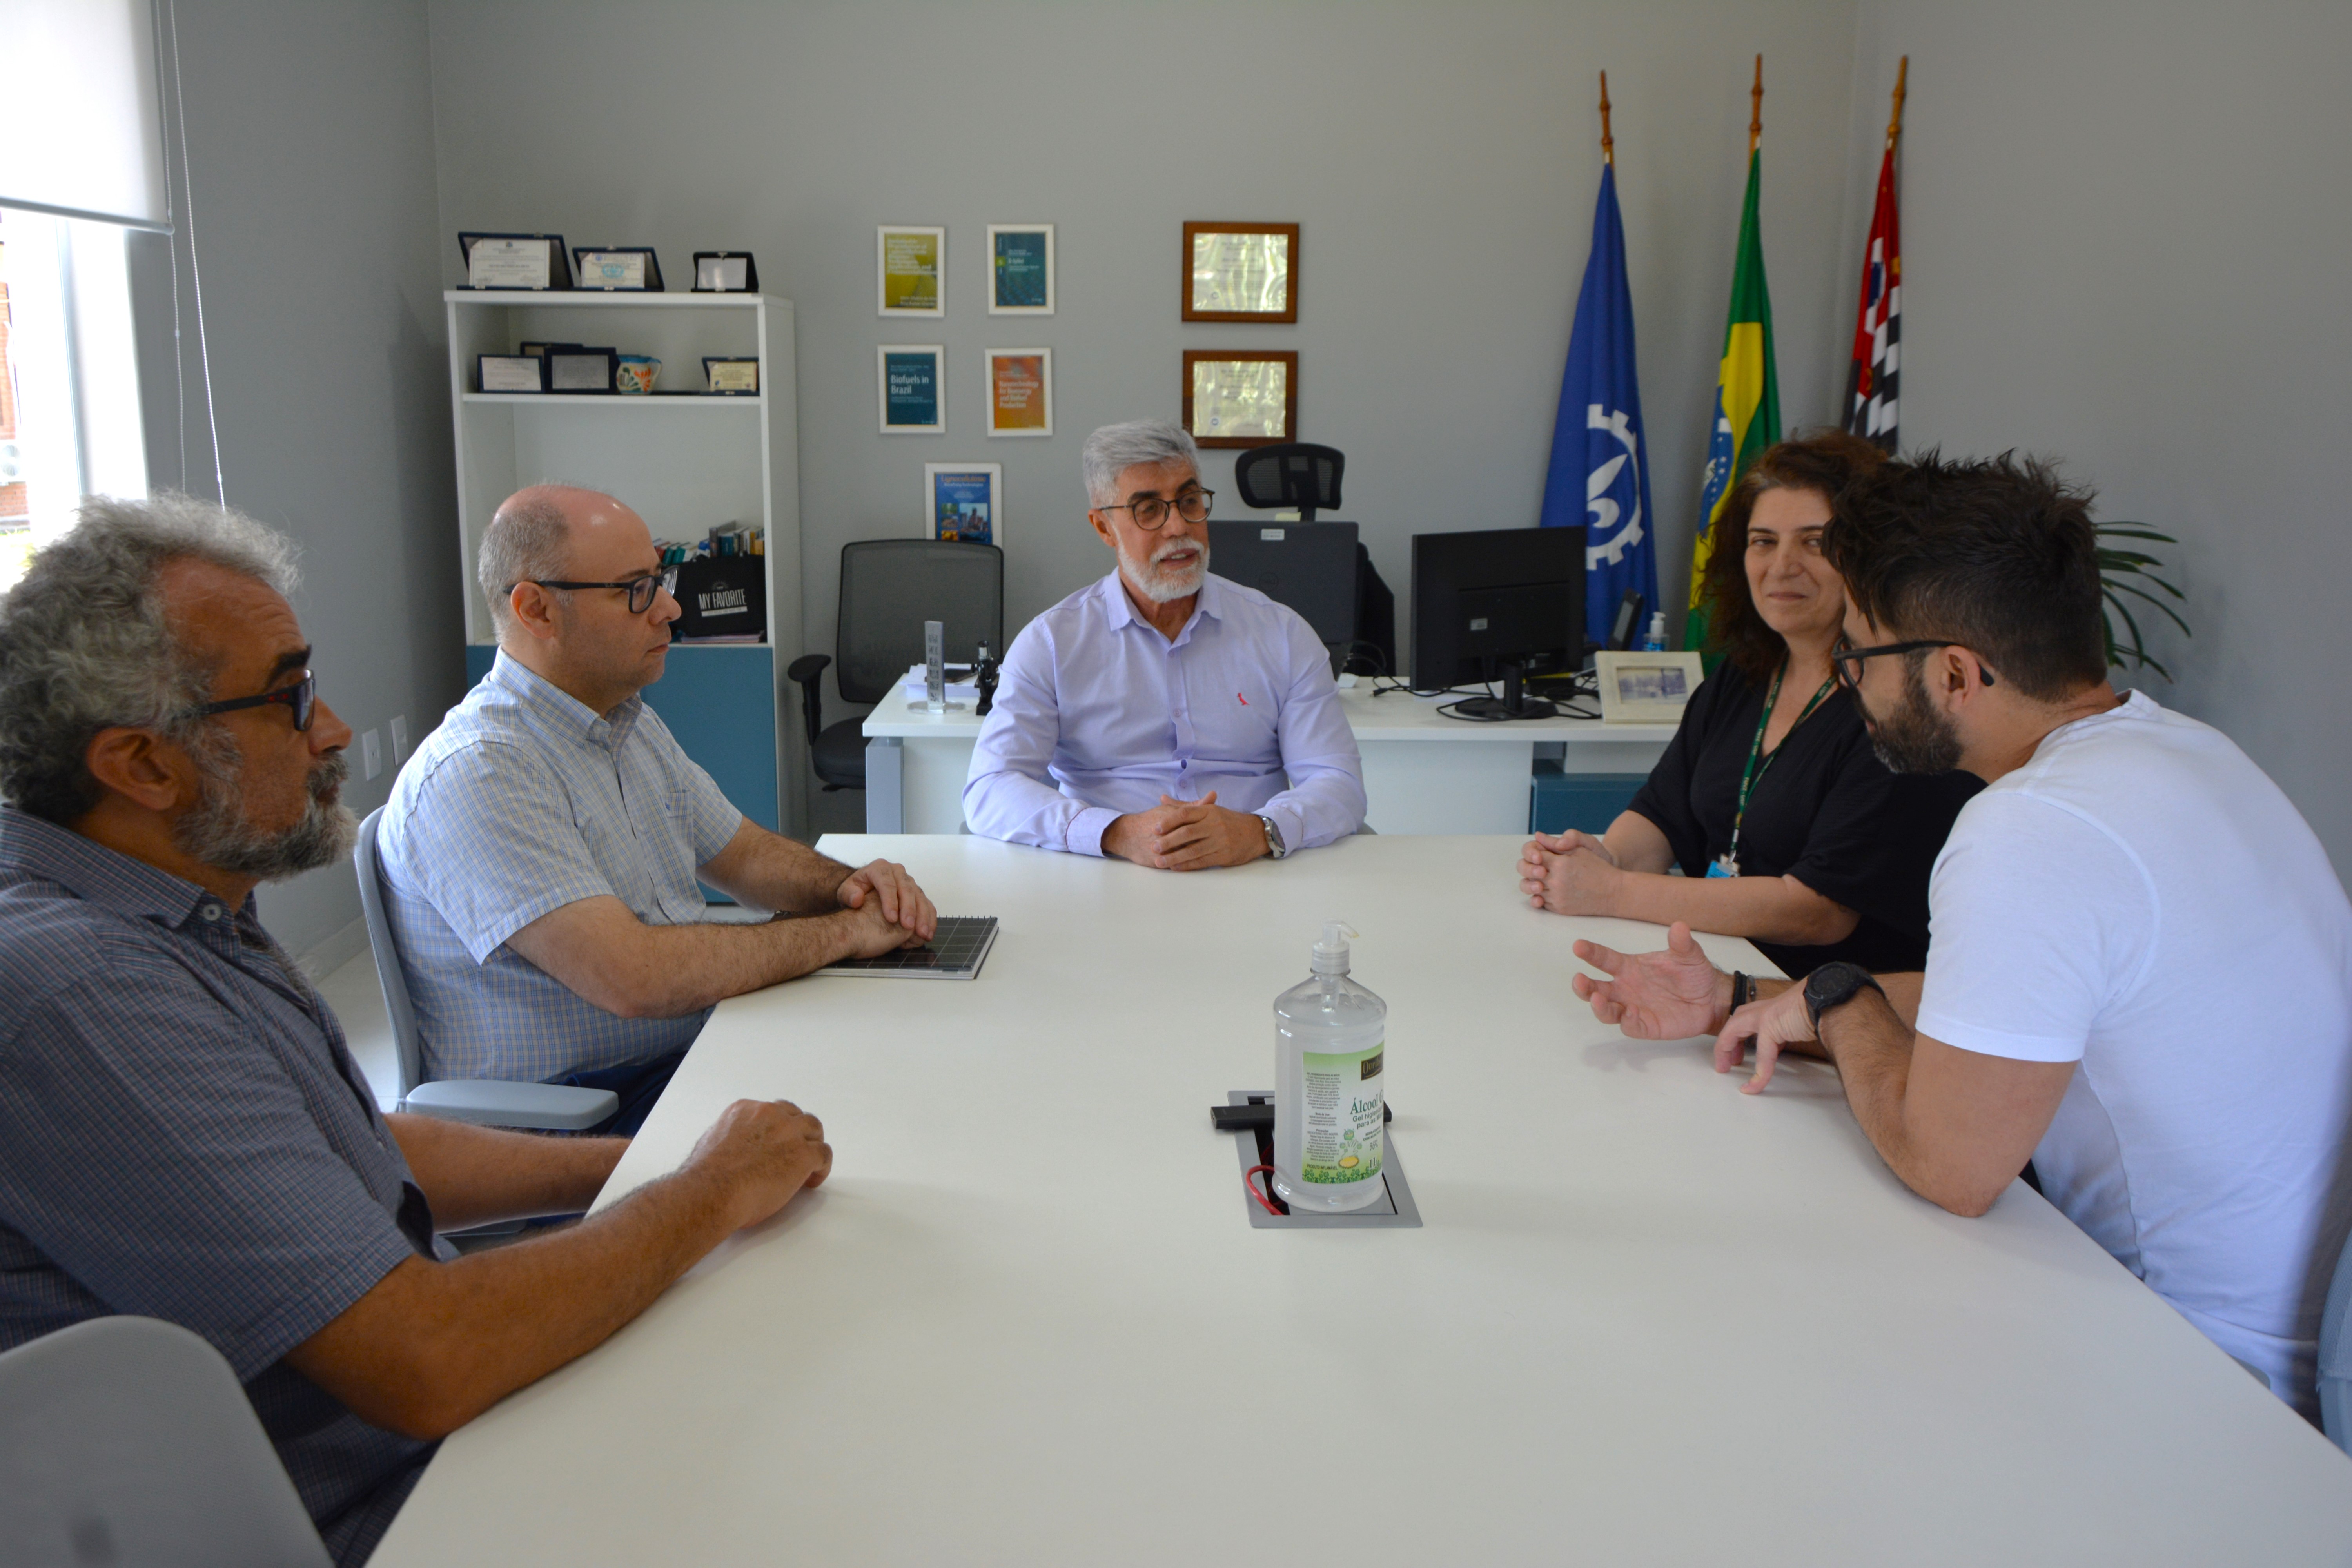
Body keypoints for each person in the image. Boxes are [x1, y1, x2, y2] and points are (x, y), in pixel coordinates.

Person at [0, 495, 837, 1564]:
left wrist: (644, 1169)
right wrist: (704, 1191)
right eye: (289, 697)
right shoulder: (83, 992)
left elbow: (346, 1147)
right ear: (145, 766)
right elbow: (429, 1358)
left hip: (446, 1441)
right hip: (394, 1511)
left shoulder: (183, 912)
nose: (337, 731)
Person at [1571, 452, 2352, 1416]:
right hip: (2295, 1324)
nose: (1848, 685)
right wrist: (1747, 999)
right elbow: (2016, 1012)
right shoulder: (2183, 751)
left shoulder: (2028, 829)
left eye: (1859, 656)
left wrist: (1837, 994)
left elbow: (1950, 1165)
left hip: (2203, 1373)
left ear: (1952, 672)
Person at [379, 485, 936, 1131]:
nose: (671, 607)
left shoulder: (624, 722)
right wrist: (842, 935)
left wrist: (852, 887)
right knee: (880, 1120)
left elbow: (745, 855)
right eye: (636, 589)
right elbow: (634, 980)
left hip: (686, 1052)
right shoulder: (481, 773)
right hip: (583, 1119)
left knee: (906, 1064)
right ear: (536, 609)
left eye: (661, 579)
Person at [1519, 431, 1978, 975]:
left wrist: (1614, 891)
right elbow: (1663, 813)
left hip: (1826, 1014)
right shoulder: (1742, 676)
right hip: (1717, 973)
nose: (1782, 565)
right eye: (1763, 541)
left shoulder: (1896, 701)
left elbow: (1818, 912)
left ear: (1869, 557)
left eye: (1814, 542)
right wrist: (1604, 859)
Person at [963, 420, 1367, 868]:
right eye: (1149, 510)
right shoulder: (1053, 643)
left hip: (1254, 873)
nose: (1179, 526)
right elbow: (990, 786)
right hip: (1104, 877)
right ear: (1104, 527)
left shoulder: (1283, 634)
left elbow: (1338, 781)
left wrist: (1258, 830)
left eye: (1190, 501)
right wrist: (1115, 831)